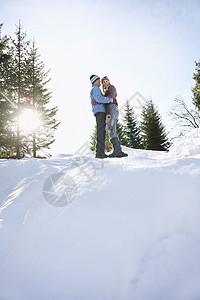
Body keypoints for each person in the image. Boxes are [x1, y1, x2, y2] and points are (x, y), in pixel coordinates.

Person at [101, 76, 128, 157]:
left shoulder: (111, 88)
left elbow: (112, 96)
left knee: (109, 128)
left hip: (112, 108)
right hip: (110, 110)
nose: (105, 83)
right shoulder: (106, 91)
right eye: (104, 82)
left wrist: (102, 99)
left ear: (109, 82)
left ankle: (117, 149)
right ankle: (118, 151)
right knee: (112, 129)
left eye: (106, 81)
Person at [90, 74, 114, 158]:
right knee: (100, 131)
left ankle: (101, 152)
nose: (100, 82)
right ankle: (99, 153)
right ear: (95, 81)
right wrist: (110, 99)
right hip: (100, 111)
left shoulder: (95, 89)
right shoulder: (95, 88)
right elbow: (99, 99)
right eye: (99, 80)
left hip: (99, 111)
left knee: (102, 131)